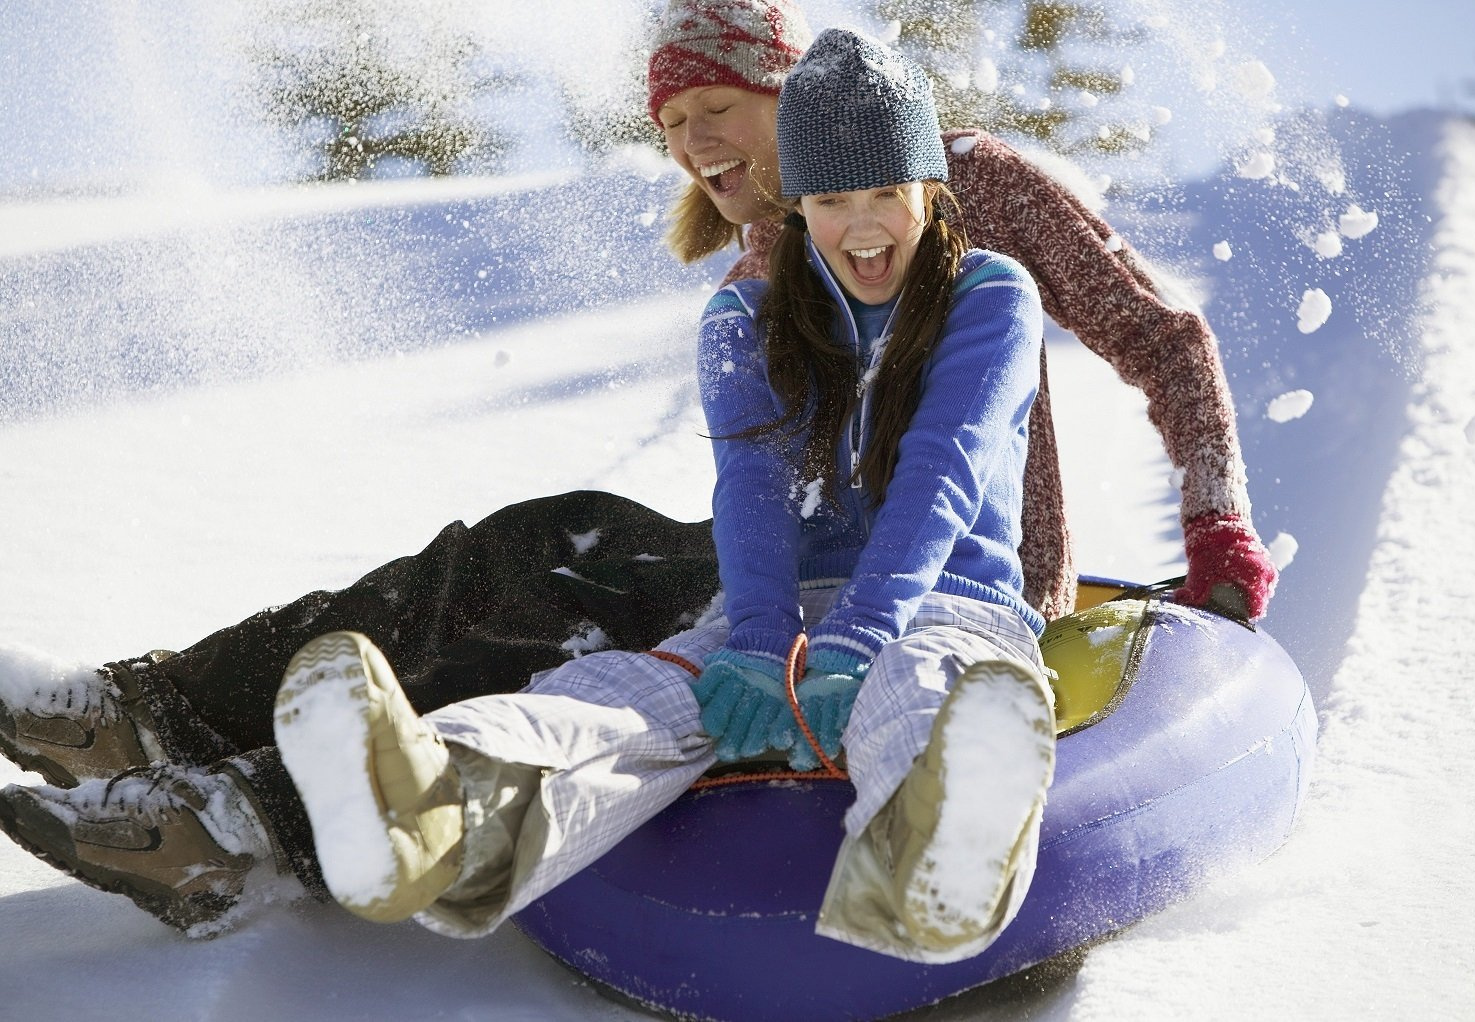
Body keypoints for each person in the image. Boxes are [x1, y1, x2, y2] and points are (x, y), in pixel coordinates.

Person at [0, 0, 1274, 938]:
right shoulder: (755, 285)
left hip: (961, 581)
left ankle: (229, 817)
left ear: (789, 89)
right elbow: (759, 480)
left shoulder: (969, 195)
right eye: (668, 127)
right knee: (527, 552)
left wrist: (1218, 526)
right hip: (797, 573)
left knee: (553, 564)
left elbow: (1155, 339)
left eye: (710, 111)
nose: (692, 149)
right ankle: (164, 724)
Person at [272, 28, 1055, 964]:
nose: (865, 224)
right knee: (638, 693)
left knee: (922, 682)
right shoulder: (743, 318)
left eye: (888, 190)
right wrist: (764, 642)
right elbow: (753, 490)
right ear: (798, 205)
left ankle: (934, 866)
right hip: (779, 611)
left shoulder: (991, 297)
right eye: (834, 197)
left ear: (930, 186)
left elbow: (945, 465)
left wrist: (860, 632)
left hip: (948, 602)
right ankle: (442, 805)